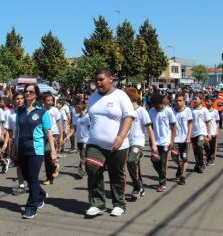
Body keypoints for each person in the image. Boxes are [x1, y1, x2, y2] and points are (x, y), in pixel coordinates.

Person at [85, 68, 134, 217]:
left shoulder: (121, 96)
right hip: (95, 143)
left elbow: (129, 117)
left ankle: (119, 204)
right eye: (96, 80)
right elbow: (92, 119)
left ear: (110, 79)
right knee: (92, 168)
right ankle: (97, 204)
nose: (98, 83)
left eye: (101, 79)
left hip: (117, 144)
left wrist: (121, 137)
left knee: (116, 174)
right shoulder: (92, 98)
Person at [16, 84, 56, 219]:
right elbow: (18, 130)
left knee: (32, 179)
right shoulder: (19, 111)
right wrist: (13, 147)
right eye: (26, 91)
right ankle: (41, 194)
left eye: (30, 91)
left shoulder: (42, 112)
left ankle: (31, 207)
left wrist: (53, 150)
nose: (27, 93)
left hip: (36, 150)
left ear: (36, 94)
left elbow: (48, 131)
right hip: (22, 149)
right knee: (27, 177)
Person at [124, 87, 157, 197]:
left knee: (131, 161)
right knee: (134, 165)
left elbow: (149, 129)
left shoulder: (141, 111)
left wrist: (154, 145)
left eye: (125, 95)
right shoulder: (124, 111)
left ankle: (137, 187)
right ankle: (139, 186)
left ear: (131, 97)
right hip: (126, 142)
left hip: (138, 142)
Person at [149, 94, 176, 192]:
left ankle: (162, 183)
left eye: (157, 105)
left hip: (165, 141)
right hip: (155, 141)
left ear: (161, 103)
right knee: (154, 160)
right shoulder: (151, 111)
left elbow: (173, 126)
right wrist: (151, 141)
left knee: (163, 162)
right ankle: (162, 175)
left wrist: (172, 140)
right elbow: (150, 127)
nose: (156, 107)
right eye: (154, 105)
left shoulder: (168, 111)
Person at [3, 92, 26, 195]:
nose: (19, 100)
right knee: (19, 164)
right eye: (17, 99)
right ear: (13, 101)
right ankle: (21, 185)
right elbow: (9, 131)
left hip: (28, 141)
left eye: (21, 98)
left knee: (29, 164)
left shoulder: (28, 111)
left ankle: (33, 184)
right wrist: (6, 145)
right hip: (16, 142)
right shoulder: (10, 113)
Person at [64, 103, 91, 178]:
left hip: (86, 140)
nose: (75, 110)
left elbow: (91, 128)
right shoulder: (76, 118)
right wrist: (67, 137)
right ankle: (85, 170)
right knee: (83, 156)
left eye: (76, 108)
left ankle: (81, 171)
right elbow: (73, 130)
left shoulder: (87, 117)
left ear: (81, 109)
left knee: (83, 156)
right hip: (79, 140)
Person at [172, 93, 192, 185]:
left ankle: (182, 177)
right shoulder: (172, 111)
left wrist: (189, 136)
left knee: (184, 158)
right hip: (175, 139)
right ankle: (179, 167)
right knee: (174, 156)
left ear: (184, 101)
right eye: (177, 101)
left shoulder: (187, 110)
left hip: (185, 139)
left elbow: (190, 124)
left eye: (180, 100)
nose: (178, 102)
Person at [42, 92, 62, 185]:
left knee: (48, 152)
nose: (50, 102)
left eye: (51, 100)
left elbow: (59, 123)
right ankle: (53, 170)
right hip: (43, 134)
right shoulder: (41, 110)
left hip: (53, 134)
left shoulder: (55, 110)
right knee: (46, 157)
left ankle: (50, 176)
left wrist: (61, 136)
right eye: (48, 100)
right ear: (43, 101)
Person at [191, 92, 211, 173]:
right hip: (193, 133)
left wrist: (209, 133)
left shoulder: (204, 110)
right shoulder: (191, 110)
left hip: (202, 132)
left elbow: (208, 122)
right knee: (196, 150)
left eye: (196, 99)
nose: (194, 100)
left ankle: (202, 162)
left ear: (201, 100)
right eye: (193, 98)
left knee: (199, 145)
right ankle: (198, 165)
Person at [204, 96, 220, 166]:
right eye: (206, 101)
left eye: (208, 101)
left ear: (212, 102)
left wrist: (217, 131)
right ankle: (208, 158)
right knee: (205, 146)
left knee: (212, 147)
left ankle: (211, 159)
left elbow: (217, 122)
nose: (207, 102)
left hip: (213, 131)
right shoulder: (204, 110)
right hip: (205, 132)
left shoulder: (215, 111)